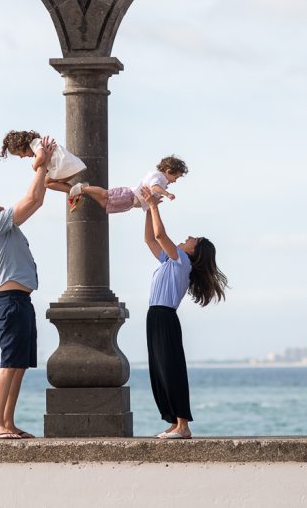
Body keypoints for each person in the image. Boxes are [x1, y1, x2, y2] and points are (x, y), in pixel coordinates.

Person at [0, 136, 56, 440]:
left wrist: (43, 168)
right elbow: (31, 200)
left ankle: (8, 423)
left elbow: (38, 200)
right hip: (8, 300)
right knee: (9, 363)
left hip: (19, 300)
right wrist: (40, 162)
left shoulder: (7, 226)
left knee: (19, 364)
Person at [139, 187, 227, 439]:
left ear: (193, 252)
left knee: (171, 368)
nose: (188, 237)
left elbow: (160, 234)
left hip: (165, 317)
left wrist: (154, 206)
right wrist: (147, 208)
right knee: (159, 369)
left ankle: (183, 425)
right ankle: (173, 422)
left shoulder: (182, 261)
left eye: (193, 239)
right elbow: (149, 239)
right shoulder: (169, 260)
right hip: (154, 316)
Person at [66, 155, 188, 213]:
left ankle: (86, 189)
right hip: (129, 195)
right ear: (169, 171)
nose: (175, 181)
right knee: (105, 194)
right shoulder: (158, 177)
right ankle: (82, 188)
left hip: (130, 202)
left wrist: (153, 204)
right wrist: (167, 194)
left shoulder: (162, 181)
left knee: (105, 204)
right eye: (175, 177)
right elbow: (154, 187)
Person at [0, 130, 86, 196]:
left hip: (63, 166)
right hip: (70, 164)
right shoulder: (38, 144)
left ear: (22, 146)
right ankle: (74, 191)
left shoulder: (34, 143)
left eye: (19, 154)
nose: (21, 157)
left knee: (46, 183)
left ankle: (73, 192)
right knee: (53, 181)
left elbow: (41, 156)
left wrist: (34, 166)